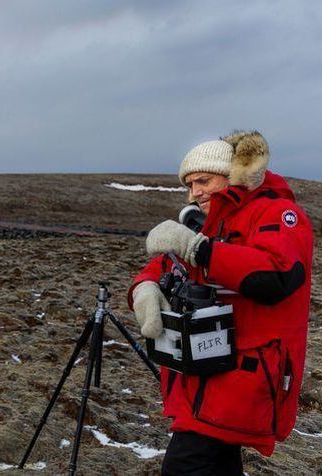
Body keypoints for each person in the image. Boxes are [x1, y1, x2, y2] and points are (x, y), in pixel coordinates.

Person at [129, 130, 313, 475]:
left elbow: (276, 278)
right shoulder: (214, 222)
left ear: (233, 176)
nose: (194, 193)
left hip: (247, 370)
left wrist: (201, 249)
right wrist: (144, 286)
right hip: (208, 366)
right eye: (189, 184)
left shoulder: (280, 215)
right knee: (218, 462)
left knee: (186, 465)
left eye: (203, 181)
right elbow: (171, 264)